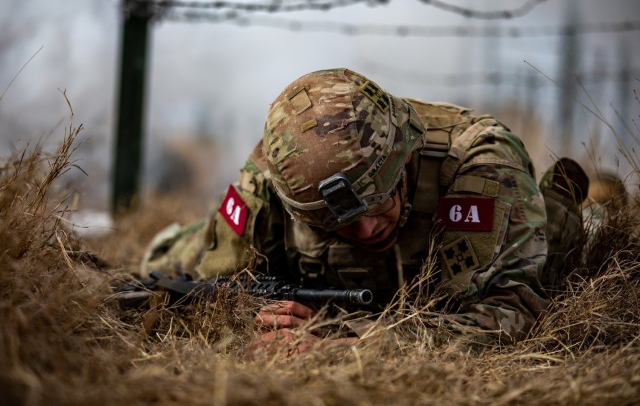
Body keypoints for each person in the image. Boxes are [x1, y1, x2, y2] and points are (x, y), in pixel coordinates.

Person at [141, 68, 588, 348]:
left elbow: (514, 311)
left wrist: (352, 339)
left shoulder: (479, 164)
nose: (368, 228)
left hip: (521, 227)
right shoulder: (271, 176)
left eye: (379, 201)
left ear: (406, 157)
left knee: (564, 243)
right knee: (173, 260)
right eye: (337, 223)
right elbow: (210, 283)